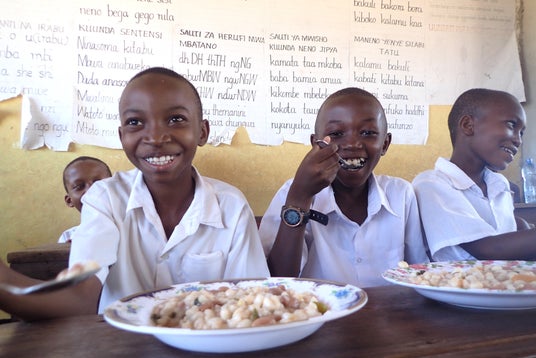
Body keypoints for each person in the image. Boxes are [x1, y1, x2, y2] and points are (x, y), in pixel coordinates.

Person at [0, 67, 269, 320]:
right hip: (120, 351)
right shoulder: (105, 200)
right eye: (135, 122)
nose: (156, 137)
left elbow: (251, 303)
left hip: (209, 349)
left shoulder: (231, 207)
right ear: (122, 137)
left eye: (176, 119)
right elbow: (81, 298)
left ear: (202, 131)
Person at [259, 87, 429, 287]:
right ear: (316, 144)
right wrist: (300, 197)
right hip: (320, 307)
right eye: (337, 133)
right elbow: (277, 280)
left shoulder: (401, 195)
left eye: (367, 133)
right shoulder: (291, 192)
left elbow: (418, 274)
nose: (353, 144)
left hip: (389, 308)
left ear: (385, 143)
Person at [412, 88, 536, 261]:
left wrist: (522, 225)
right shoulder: (430, 184)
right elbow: (489, 250)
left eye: (521, 133)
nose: (518, 140)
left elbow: (507, 237)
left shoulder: (499, 185)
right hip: (459, 278)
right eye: (511, 125)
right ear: (468, 125)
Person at [58, 156, 112, 242]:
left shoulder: (131, 228)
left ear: (114, 188)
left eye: (99, 183)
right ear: (69, 200)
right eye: (79, 186)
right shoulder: (68, 237)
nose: (90, 190)